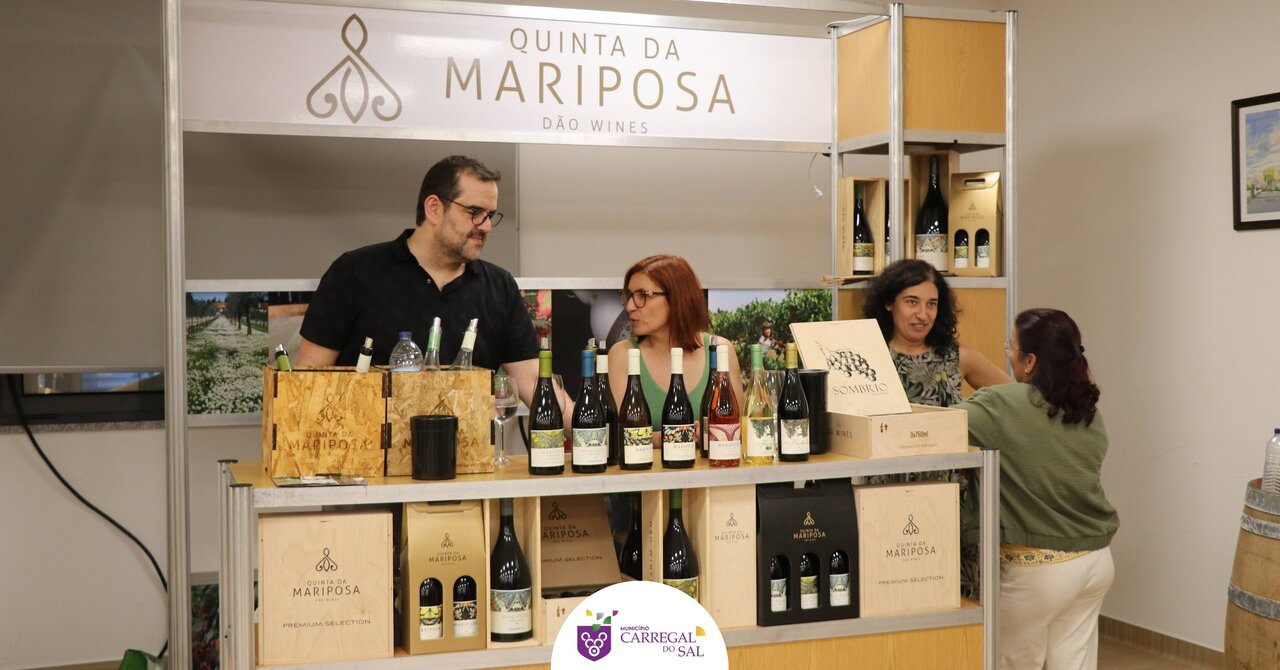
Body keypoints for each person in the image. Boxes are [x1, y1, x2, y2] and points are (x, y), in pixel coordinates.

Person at [296, 155, 541, 405]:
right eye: (475, 212)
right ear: (434, 208)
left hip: (468, 432)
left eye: (490, 215)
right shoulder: (354, 272)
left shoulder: (499, 287)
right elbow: (308, 379)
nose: (486, 227)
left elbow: (534, 384)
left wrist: (570, 419)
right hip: (367, 430)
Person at [955, 308, 1118, 670]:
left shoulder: (1001, 404)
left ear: (1029, 361)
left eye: (1011, 349)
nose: (1009, 358)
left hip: (1040, 570)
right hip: (1095, 562)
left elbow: (933, 428)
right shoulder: (1087, 412)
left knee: (1010, 662)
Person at [607, 255, 743, 435]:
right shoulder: (622, 354)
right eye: (629, 296)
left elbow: (735, 430)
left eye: (642, 295)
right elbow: (621, 436)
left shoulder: (720, 351)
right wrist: (679, 436)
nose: (630, 306)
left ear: (677, 298)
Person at [862, 258, 1009, 406]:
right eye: (912, 302)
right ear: (889, 303)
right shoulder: (867, 359)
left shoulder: (957, 357)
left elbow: (1015, 398)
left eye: (931, 304)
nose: (923, 315)